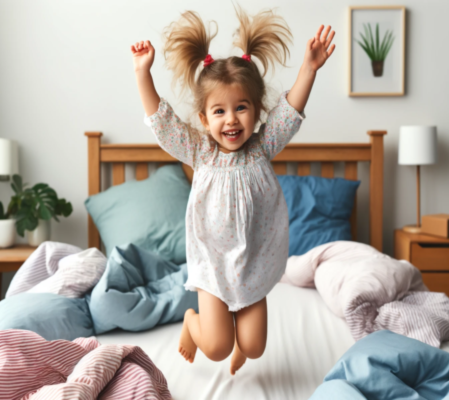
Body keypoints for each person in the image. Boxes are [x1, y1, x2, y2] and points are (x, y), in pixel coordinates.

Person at [131, 5, 335, 375]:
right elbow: (161, 122)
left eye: (241, 108)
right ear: (204, 119)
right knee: (218, 347)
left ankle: (241, 339)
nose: (231, 119)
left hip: (253, 263)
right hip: (212, 265)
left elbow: (290, 111)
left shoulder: (263, 147)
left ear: (257, 112)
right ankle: (194, 323)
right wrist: (143, 73)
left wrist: (309, 68)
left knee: (254, 348)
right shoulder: (199, 152)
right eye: (220, 111)